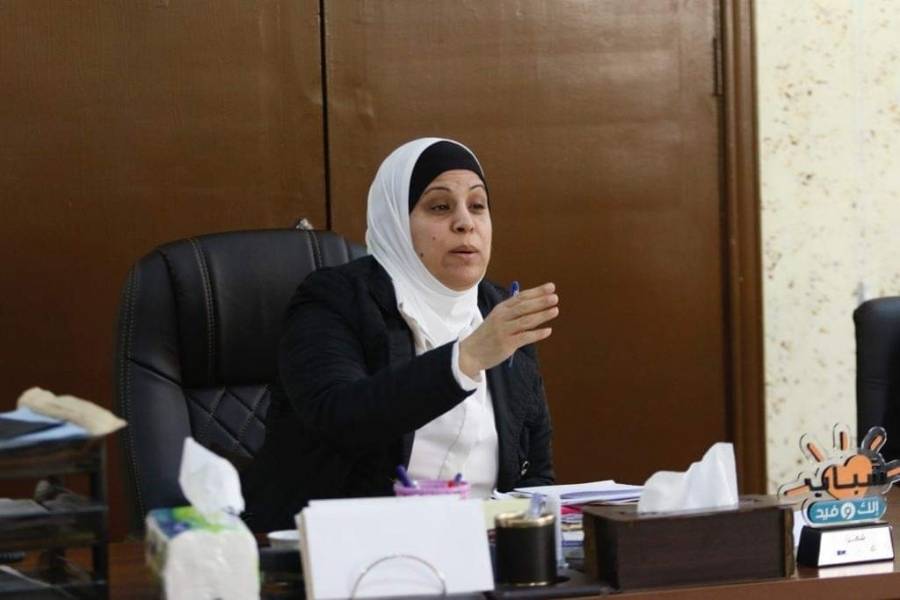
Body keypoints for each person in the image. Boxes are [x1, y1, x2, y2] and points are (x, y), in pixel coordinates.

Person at [241, 138, 560, 532]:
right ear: (395, 219)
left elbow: (535, 473)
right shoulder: (335, 299)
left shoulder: (499, 309)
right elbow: (338, 417)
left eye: (477, 206)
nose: (465, 222)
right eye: (440, 207)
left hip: (484, 548)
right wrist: (464, 360)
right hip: (349, 544)